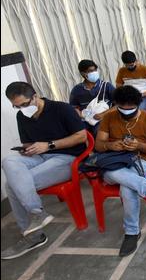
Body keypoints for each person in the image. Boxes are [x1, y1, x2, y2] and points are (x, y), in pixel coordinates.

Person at [0, 82, 87, 260]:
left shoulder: (61, 109)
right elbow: (27, 142)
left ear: (35, 96)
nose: (22, 109)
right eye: (16, 106)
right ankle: (37, 213)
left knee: (12, 186)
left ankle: (33, 235)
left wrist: (48, 145)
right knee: (8, 160)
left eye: (25, 104)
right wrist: (28, 149)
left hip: (67, 158)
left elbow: (81, 136)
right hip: (39, 156)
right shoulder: (22, 116)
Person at [95, 86, 146, 257]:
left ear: (138, 104)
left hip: (140, 159)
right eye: (122, 108)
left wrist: (139, 145)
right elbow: (98, 145)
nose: (126, 112)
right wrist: (110, 146)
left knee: (127, 188)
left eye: (130, 109)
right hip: (113, 162)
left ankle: (131, 232)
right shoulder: (109, 117)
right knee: (116, 175)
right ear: (116, 105)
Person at [70, 59, 115, 135]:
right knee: (77, 133)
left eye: (95, 70)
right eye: (90, 71)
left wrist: (103, 114)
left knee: (99, 131)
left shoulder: (106, 86)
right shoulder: (77, 90)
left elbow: (119, 104)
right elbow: (74, 107)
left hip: (103, 118)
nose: (94, 72)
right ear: (83, 73)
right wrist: (80, 114)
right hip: (84, 120)